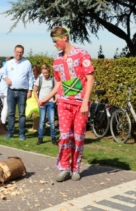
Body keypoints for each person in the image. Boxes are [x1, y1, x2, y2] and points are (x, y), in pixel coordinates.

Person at [39, 26, 94, 182]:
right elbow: (59, 83)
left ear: (64, 38)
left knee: (78, 137)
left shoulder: (82, 54)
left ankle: (75, 168)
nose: (54, 44)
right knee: (64, 137)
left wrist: (85, 103)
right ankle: (64, 168)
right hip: (63, 103)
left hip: (80, 104)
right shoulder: (57, 60)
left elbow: (90, 79)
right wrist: (47, 98)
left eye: (55, 41)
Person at [4, 45, 34, 140]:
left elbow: (31, 77)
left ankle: (22, 133)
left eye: (20, 52)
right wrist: (6, 78)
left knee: (22, 114)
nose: (19, 53)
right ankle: (10, 132)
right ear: (14, 52)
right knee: (11, 113)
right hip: (11, 91)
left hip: (22, 92)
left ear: (23, 53)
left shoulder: (27, 63)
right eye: (17, 51)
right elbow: (3, 73)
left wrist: (30, 90)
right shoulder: (9, 63)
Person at [33, 64, 58, 146]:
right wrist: (38, 101)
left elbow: (56, 90)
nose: (45, 75)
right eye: (43, 73)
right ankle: (40, 137)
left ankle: (53, 138)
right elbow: (35, 91)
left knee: (51, 121)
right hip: (42, 102)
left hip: (50, 102)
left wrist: (56, 98)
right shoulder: (39, 79)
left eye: (46, 73)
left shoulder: (53, 79)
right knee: (42, 121)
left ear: (49, 72)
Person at [0, 59, 8, 125]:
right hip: (6, 90)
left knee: (4, 107)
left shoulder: (1, 70)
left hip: (1, 90)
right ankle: (3, 122)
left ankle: (2, 120)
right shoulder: (9, 70)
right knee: (5, 107)